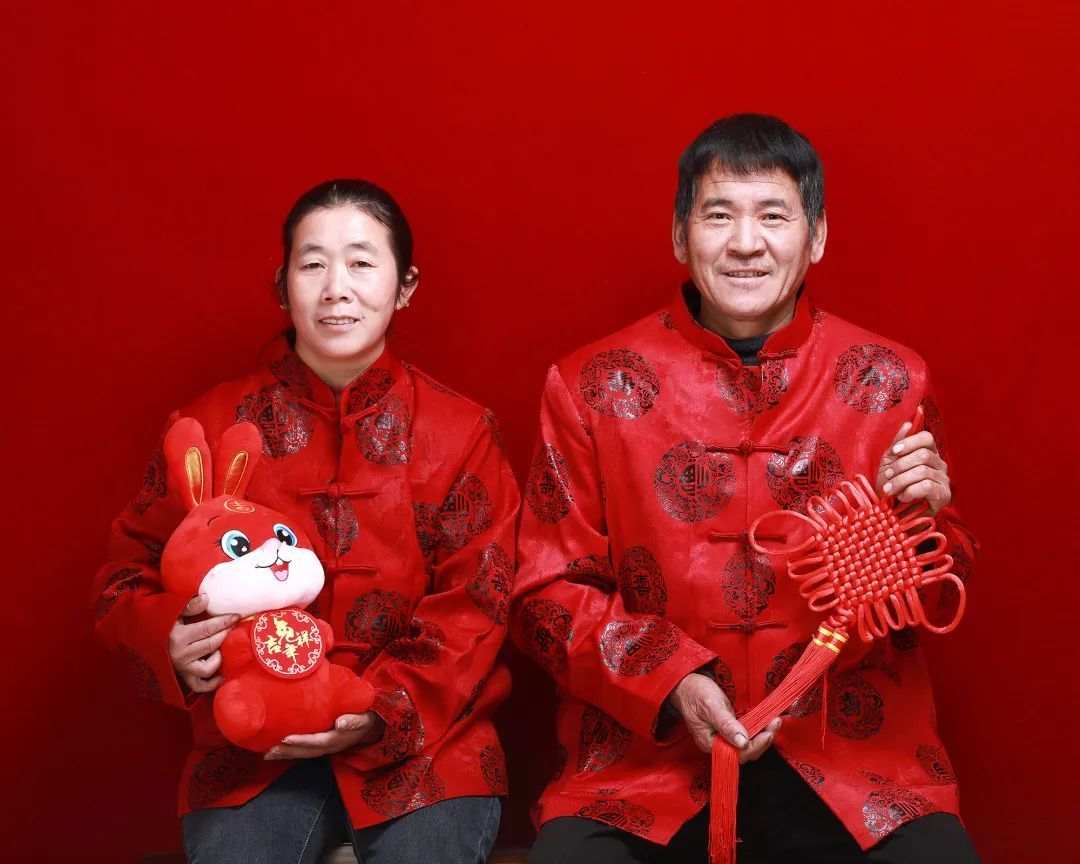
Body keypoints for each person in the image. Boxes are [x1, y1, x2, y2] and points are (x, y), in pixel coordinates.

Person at [513, 114, 980, 863]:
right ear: (680, 235)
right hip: (645, 766)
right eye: (719, 215)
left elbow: (925, 603)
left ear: (816, 237)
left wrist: (930, 526)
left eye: (773, 216)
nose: (745, 242)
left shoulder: (892, 380)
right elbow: (546, 593)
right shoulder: (591, 385)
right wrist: (673, 680)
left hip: (853, 761)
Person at [94, 179, 519, 864]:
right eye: (313, 264)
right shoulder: (208, 425)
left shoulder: (461, 432)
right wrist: (169, 638)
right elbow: (124, 577)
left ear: (405, 286)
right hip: (251, 748)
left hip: (427, 751)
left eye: (361, 262)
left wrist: (379, 709)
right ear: (281, 284)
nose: (335, 289)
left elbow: (479, 602)